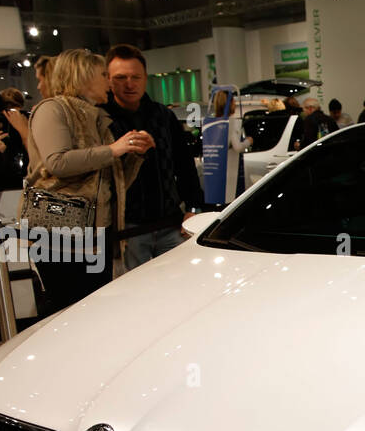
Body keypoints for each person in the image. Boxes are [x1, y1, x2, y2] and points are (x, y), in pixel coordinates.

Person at [24, 48, 152, 313]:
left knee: (94, 312)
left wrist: (134, 155)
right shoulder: (52, 109)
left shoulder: (96, 118)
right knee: (70, 313)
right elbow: (57, 163)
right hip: (60, 235)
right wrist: (114, 150)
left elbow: (112, 184)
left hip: (95, 235)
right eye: (103, 74)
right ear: (82, 76)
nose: (109, 82)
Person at [101, 44, 205, 271]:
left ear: (145, 78)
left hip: (170, 223)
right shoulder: (101, 119)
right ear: (108, 80)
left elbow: (184, 164)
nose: (129, 83)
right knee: (133, 295)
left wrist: (194, 207)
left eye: (135, 76)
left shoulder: (163, 116)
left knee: (178, 287)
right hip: (128, 230)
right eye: (121, 77)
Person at [211, 89, 252, 202]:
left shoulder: (212, 123)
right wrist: (248, 141)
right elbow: (237, 147)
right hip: (233, 172)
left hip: (218, 171)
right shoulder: (231, 123)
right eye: (233, 102)